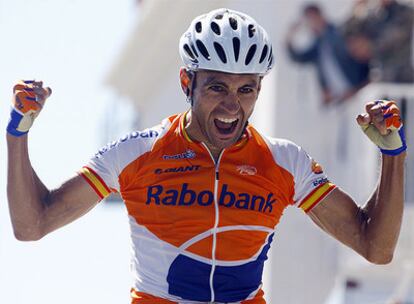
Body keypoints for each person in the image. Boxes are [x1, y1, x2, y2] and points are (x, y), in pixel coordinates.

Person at [6, 8, 407, 304]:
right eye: (217, 88)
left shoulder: (285, 162)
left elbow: (376, 247)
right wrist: (18, 132)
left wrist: (392, 154)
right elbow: (32, 224)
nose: (232, 107)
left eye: (246, 90)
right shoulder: (136, 153)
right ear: (187, 81)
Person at [286, 4, 370, 105]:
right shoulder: (318, 45)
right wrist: (289, 39)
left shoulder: (339, 32)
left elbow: (360, 57)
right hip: (341, 100)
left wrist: (356, 88)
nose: (311, 23)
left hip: (359, 94)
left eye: (312, 18)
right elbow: (298, 57)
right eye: (308, 20)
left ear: (320, 16)